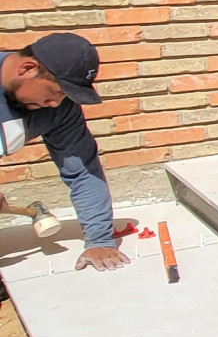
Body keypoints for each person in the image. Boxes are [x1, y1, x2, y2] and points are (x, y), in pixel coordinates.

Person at [0, 34, 129, 269]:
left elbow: (83, 173)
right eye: (55, 92)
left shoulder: (60, 110)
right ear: (27, 68)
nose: (56, 104)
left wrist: (99, 240)